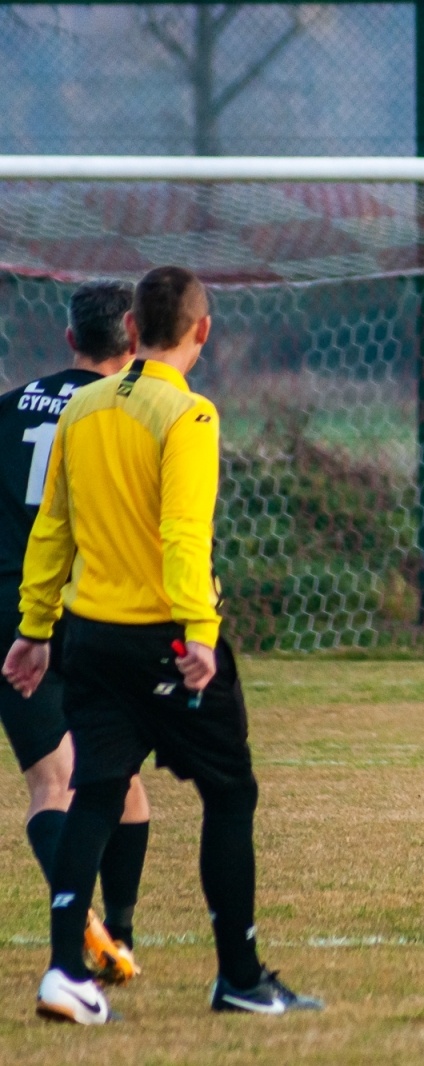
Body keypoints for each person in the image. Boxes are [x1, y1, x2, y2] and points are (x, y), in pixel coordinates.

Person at [2, 265, 321, 1024]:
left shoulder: (83, 408)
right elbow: (183, 532)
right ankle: (239, 976)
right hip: (164, 642)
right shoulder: (189, 415)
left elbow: (53, 530)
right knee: (230, 793)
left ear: (133, 329)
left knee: (95, 792)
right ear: (202, 331)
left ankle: (64, 974)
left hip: (90, 639)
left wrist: (35, 629)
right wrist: (199, 631)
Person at [0, 281, 149, 985]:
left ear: (69, 339)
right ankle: (116, 932)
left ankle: (87, 924)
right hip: (94, 608)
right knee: (120, 781)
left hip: (9, 613)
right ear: (134, 338)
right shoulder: (126, 414)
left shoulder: (8, 409)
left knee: (50, 783)